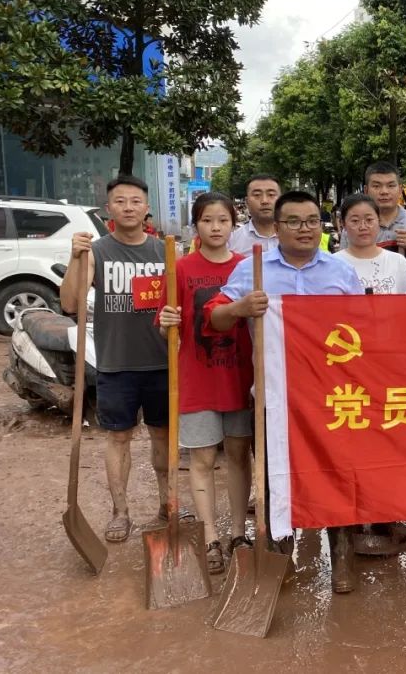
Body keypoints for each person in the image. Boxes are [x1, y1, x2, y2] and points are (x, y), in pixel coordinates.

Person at [205, 190, 364, 594]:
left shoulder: (341, 272)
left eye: (311, 221)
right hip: (273, 396)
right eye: (293, 221)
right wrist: (240, 308)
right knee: (275, 478)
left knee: (337, 475)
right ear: (276, 228)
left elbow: (365, 328)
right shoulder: (251, 270)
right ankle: (280, 557)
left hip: (332, 397)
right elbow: (215, 319)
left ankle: (341, 556)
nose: (304, 229)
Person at [60, 176, 173, 544]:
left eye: (135, 201)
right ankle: (120, 511)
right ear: (109, 208)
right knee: (119, 438)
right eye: (120, 201)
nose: (128, 207)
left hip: (161, 363)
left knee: (163, 436)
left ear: (146, 208)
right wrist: (75, 257)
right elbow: (70, 303)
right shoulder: (96, 251)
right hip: (115, 363)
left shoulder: (165, 252)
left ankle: (167, 505)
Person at [156, 192, 253, 573]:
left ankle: (239, 533)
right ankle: (210, 536)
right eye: (207, 220)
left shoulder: (247, 267)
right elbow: (167, 327)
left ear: (233, 224)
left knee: (239, 454)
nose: (215, 227)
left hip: (240, 377)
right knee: (202, 458)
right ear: (195, 224)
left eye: (223, 220)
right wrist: (167, 323)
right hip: (197, 379)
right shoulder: (179, 269)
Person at [338, 162, 406, 265]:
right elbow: (341, 266)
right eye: (376, 186)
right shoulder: (353, 227)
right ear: (366, 190)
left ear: (400, 190)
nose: (384, 191)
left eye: (391, 186)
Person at [337, 194, 406, 294]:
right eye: (355, 221)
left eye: (369, 220)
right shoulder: (333, 265)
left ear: (379, 221)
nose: (363, 227)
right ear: (343, 224)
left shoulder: (398, 262)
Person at [229, 174, 281, 254]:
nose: (264, 201)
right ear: (247, 202)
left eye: (271, 195)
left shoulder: (296, 237)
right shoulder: (232, 242)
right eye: (257, 195)